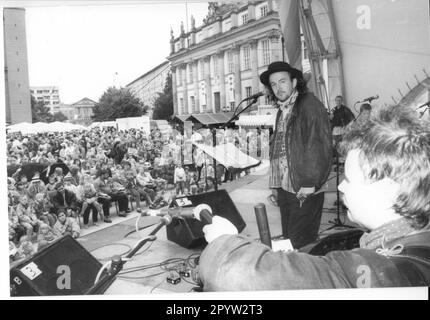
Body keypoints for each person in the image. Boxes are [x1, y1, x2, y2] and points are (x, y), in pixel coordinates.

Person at [197, 104, 430, 291]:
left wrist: (225, 242)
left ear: (386, 188)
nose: (341, 186)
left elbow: (236, 275)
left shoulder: (391, 271)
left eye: (348, 178)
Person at [261, 61, 332, 249]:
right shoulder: (282, 109)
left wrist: (310, 183)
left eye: (282, 81)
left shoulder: (309, 105)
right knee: (289, 242)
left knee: (302, 245)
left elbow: (320, 146)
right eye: (273, 84)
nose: (278, 88)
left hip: (304, 188)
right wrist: (275, 186)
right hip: (287, 189)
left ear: (294, 82)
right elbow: (278, 150)